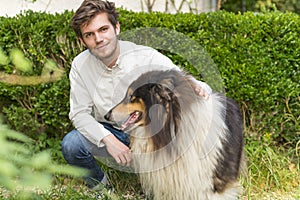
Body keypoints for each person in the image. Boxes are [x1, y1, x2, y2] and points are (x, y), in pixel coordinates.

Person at [61, 0, 212, 190]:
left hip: (146, 134)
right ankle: (100, 188)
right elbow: (79, 114)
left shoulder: (144, 56)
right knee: (72, 145)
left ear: (116, 28)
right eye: (89, 35)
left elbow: (178, 78)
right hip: (112, 130)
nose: (98, 39)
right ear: (82, 41)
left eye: (103, 29)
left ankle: (159, 184)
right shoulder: (80, 65)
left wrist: (197, 86)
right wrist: (109, 140)